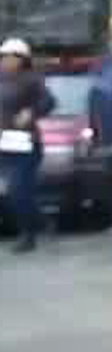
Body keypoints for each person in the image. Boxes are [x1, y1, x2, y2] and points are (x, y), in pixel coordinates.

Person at [0, 38, 54, 254]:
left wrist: (31, 112)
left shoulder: (32, 80)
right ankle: (41, 221)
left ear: (22, 59)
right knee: (15, 191)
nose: (6, 61)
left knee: (18, 189)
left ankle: (28, 234)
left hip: (25, 143)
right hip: (4, 143)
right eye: (4, 57)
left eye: (11, 57)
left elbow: (49, 102)